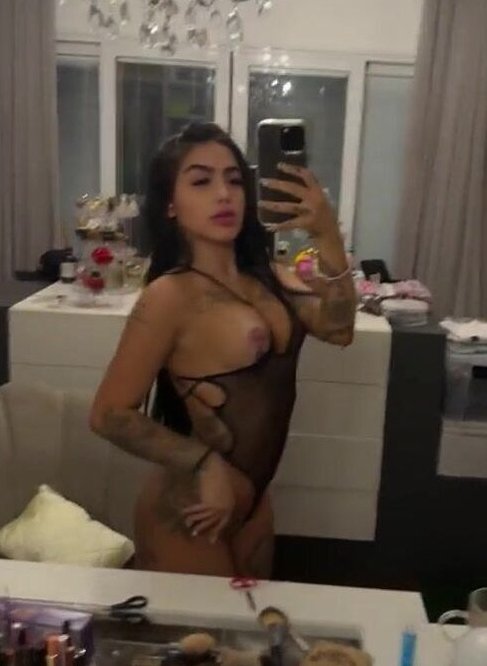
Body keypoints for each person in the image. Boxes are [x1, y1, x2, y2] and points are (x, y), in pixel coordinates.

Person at [90, 123, 356, 578]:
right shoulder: (169, 296)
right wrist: (205, 463)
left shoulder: (270, 276)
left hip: (254, 503)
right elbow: (107, 414)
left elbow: (339, 328)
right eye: (201, 181)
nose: (223, 194)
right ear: (170, 204)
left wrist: (327, 235)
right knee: (202, 629)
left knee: (251, 626)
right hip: (192, 508)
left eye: (234, 180)